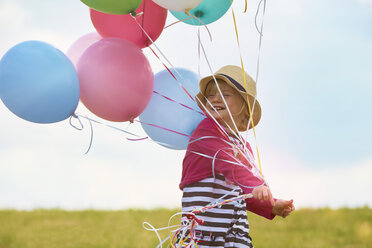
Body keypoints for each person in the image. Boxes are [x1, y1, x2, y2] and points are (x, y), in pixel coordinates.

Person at [178, 65, 295, 248]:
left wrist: (271, 205)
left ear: (243, 105)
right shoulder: (206, 131)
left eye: (225, 94)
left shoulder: (242, 146)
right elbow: (229, 163)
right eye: (210, 95)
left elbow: (243, 191)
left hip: (231, 233)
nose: (215, 98)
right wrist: (256, 184)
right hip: (204, 234)